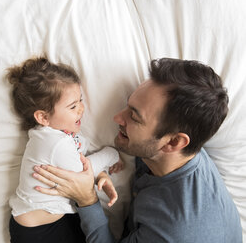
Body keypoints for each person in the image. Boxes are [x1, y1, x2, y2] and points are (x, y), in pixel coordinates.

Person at [33, 58, 243, 243]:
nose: (117, 118)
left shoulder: (175, 231)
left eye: (134, 117)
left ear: (174, 143)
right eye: (128, 105)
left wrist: (87, 200)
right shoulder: (178, 149)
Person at [7, 56, 124, 243]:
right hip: (37, 232)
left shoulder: (62, 135)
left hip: (58, 218)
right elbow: (82, 175)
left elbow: (81, 165)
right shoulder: (54, 142)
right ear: (43, 117)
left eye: (80, 100)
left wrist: (101, 174)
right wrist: (112, 154)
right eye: (72, 106)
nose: (81, 109)